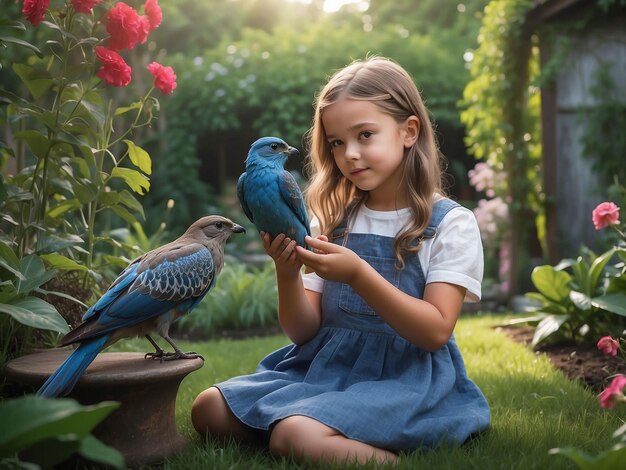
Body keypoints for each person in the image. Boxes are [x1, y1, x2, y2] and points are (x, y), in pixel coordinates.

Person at [191, 56, 490, 465]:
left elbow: (435, 331)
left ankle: (381, 454)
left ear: (408, 132)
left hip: (404, 380)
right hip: (326, 370)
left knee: (293, 435)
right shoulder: (331, 219)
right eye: (336, 142)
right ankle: (319, 430)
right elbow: (303, 330)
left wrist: (359, 275)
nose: (349, 154)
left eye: (365, 135)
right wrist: (287, 271)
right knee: (209, 408)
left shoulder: (450, 223)